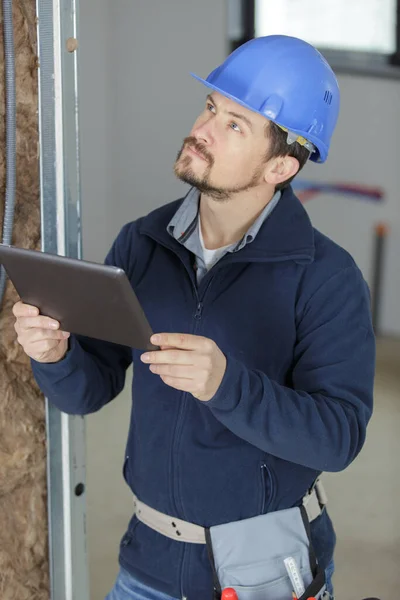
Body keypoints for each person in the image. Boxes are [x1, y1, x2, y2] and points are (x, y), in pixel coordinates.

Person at [13, 35, 375, 600]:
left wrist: (226, 385)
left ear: (280, 165)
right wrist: (55, 357)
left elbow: (339, 439)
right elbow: (92, 389)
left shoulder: (325, 275)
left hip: (263, 577)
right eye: (211, 108)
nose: (203, 129)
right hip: (146, 568)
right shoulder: (143, 243)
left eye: (236, 124)